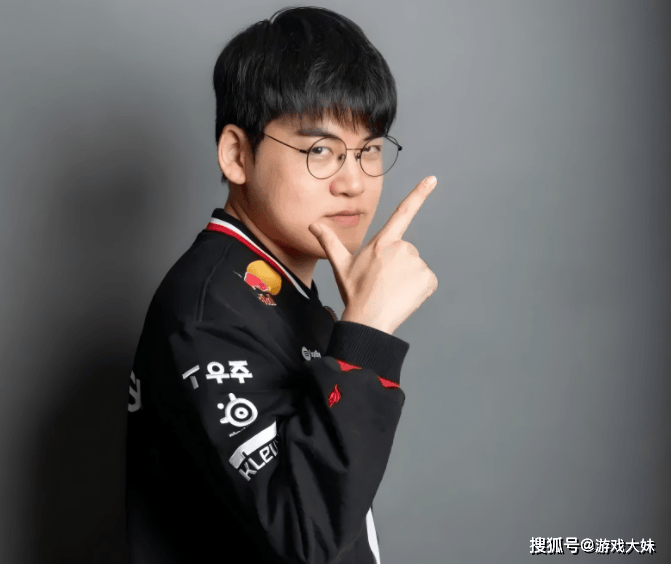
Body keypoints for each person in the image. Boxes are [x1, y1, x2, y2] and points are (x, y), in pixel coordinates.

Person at [124, 6, 438, 563]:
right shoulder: (207, 311)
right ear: (237, 155)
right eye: (320, 150)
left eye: (369, 150)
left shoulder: (275, 289)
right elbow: (303, 535)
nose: (354, 182)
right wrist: (366, 336)